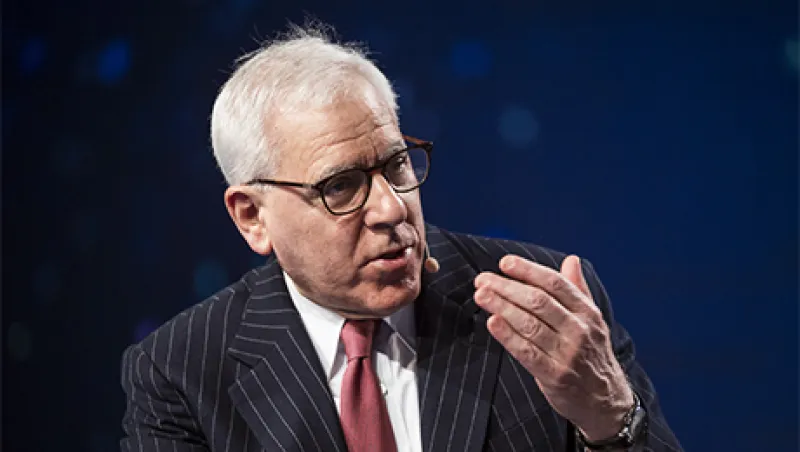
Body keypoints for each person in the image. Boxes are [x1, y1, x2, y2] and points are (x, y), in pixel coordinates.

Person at [120, 23, 682, 452]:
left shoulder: (548, 306)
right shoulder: (181, 371)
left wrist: (608, 416)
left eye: (396, 165)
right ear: (252, 217)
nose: (392, 208)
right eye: (341, 186)